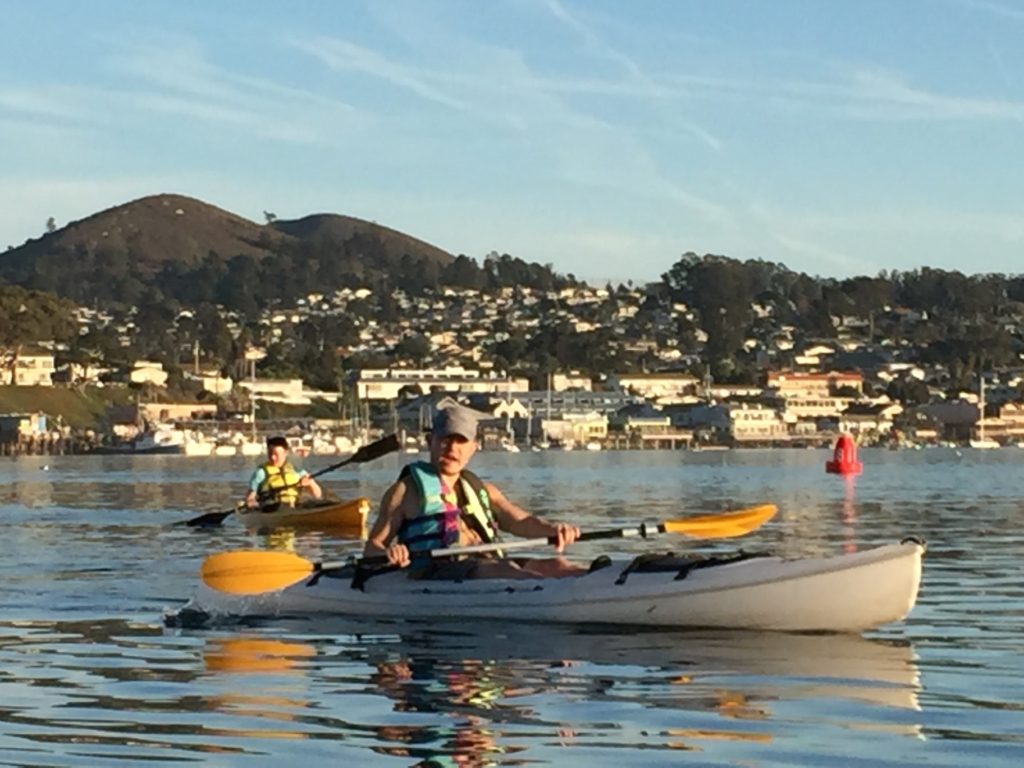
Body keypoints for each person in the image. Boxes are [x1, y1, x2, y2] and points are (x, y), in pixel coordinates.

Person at [364, 403, 585, 579]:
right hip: (436, 572)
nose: (452, 449)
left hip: (487, 565)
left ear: (473, 447)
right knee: (506, 572)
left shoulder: (484, 491)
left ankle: (589, 583)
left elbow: (521, 522)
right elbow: (373, 547)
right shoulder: (405, 491)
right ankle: (550, 596)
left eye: (461, 442)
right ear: (431, 441)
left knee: (556, 565)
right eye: (445, 440)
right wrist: (389, 554)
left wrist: (553, 530)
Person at [245, 435, 322, 508]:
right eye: (270, 454)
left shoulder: (297, 471)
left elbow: (317, 494)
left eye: (276, 454)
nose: (273, 457)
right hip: (271, 509)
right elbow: (251, 496)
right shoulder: (261, 473)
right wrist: (251, 502)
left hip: (294, 507)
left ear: (286, 453)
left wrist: (310, 483)